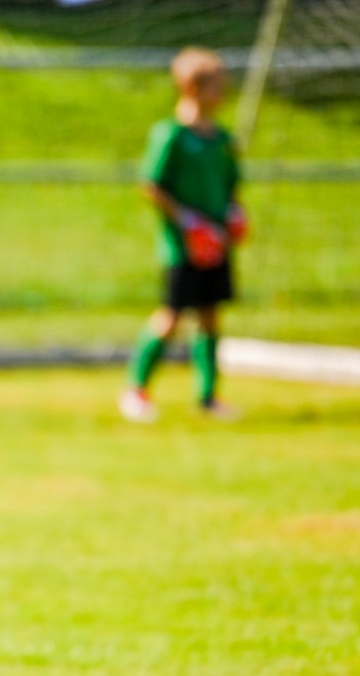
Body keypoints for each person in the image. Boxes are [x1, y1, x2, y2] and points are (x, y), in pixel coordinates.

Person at [120, 47, 245, 424]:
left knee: (210, 317)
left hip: (216, 243)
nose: (223, 93)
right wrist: (188, 221)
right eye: (216, 86)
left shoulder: (221, 138)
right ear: (192, 88)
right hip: (184, 247)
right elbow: (151, 185)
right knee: (171, 318)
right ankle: (136, 389)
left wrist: (234, 214)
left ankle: (208, 397)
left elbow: (231, 185)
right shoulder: (171, 134)